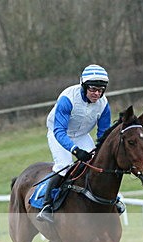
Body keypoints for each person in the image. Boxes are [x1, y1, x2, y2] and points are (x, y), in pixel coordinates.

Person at [37, 64, 112, 223]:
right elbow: (59, 131)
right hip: (59, 133)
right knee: (64, 166)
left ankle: (109, 200)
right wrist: (75, 151)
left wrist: (100, 151)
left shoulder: (104, 104)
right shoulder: (68, 98)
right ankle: (47, 205)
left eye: (101, 90)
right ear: (83, 86)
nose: (97, 94)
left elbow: (104, 134)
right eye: (93, 89)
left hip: (82, 135)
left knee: (98, 164)